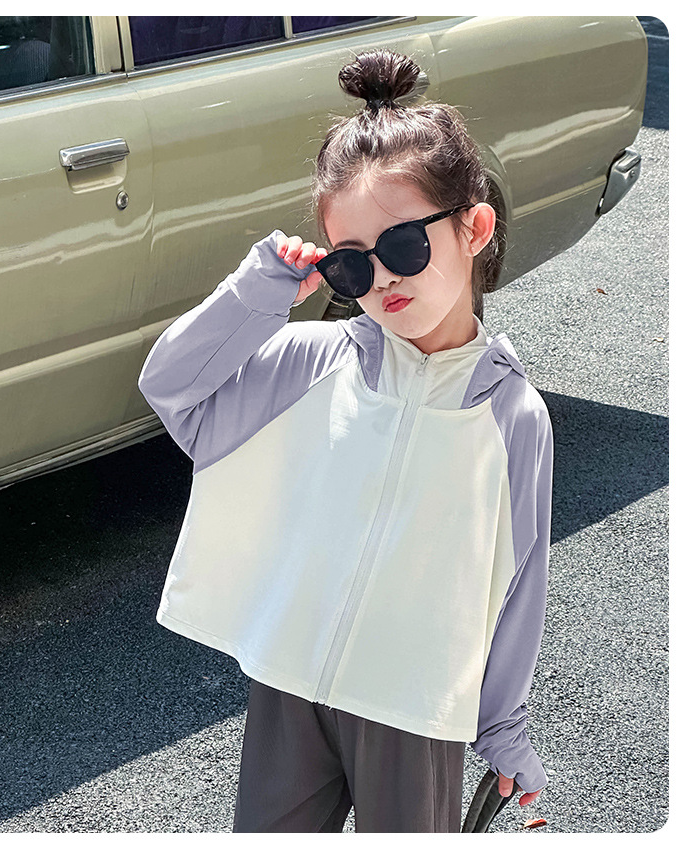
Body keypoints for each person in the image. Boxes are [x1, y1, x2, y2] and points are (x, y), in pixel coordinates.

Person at [138, 48, 554, 833]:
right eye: (352, 264)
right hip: (290, 683)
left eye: (402, 246)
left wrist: (503, 727)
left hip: (413, 707)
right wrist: (256, 295)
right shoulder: (307, 365)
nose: (382, 278)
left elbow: (515, 581)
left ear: (474, 228)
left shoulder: (511, 416)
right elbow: (173, 388)